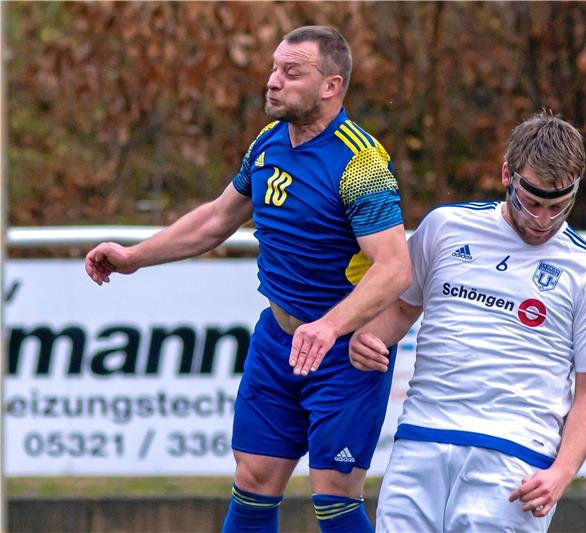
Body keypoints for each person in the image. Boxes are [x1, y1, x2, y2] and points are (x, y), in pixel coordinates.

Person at [85, 26, 411, 533]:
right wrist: (133, 257)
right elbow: (218, 218)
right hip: (278, 340)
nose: (272, 81)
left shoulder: (360, 164)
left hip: (344, 352)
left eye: (291, 72)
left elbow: (395, 267)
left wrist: (329, 326)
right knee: (254, 478)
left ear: (331, 86)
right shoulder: (269, 141)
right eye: (274, 68)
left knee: (334, 497)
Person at [349, 113, 586, 532]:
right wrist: (368, 339)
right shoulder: (446, 227)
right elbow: (403, 308)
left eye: (557, 206)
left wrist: (562, 472)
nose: (543, 219)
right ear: (507, 174)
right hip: (422, 438)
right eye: (532, 203)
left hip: (514, 459)